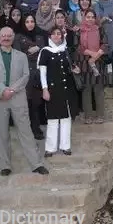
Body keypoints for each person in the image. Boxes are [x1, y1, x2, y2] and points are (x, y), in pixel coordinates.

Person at [0, 27, 48, 176]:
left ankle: (36, 163)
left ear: (13, 38)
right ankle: (4, 165)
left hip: (17, 98)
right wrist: (2, 90)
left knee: (26, 131)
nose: (6, 38)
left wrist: (11, 90)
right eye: (3, 35)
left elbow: (26, 76)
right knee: (1, 133)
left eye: (9, 36)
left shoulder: (21, 56)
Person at [39, 27, 80, 156]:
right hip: (52, 89)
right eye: (54, 34)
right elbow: (42, 73)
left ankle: (65, 146)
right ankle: (50, 148)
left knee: (66, 118)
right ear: (50, 36)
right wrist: (45, 89)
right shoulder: (45, 52)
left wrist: (75, 70)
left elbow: (70, 67)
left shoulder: (65, 50)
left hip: (66, 88)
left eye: (59, 34)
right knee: (52, 119)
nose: (57, 36)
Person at [13, 14, 47, 140]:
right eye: (27, 21)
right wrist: (31, 51)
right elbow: (17, 55)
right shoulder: (18, 37)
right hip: (25, 73)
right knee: (26, 102)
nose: (30, 24)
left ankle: (36, 127)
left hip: (37, 73)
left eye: (32, 21)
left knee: (36, 103)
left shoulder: (39, 36)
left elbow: (44, 52)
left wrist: (38, 48)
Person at [78, 9, 108, 124]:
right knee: (86, 90)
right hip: (85, 63)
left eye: (92, 17)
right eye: (88, 17)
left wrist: (96, 56)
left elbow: (105, 43)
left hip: (98, 62)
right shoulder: (79, 31)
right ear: (84, 18)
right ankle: (88, 116)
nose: (90, 19)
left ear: (95, 18)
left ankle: (100, 115)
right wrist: (91, 54)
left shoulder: (100, 29)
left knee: (98, 89)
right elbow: (78, 47)